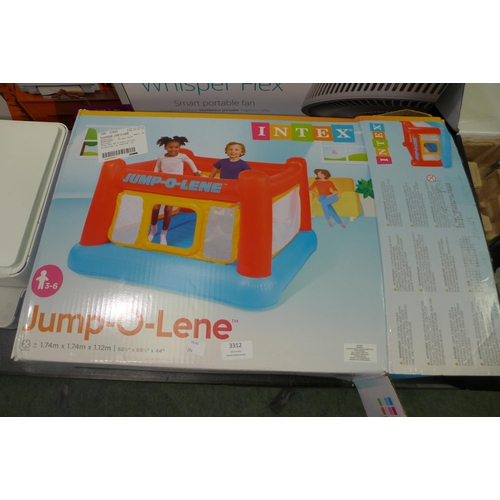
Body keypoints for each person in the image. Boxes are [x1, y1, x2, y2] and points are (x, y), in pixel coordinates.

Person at [149, 135, 201, 245]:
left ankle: (163, 234)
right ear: (165, 148)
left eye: (176, 147)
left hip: (175, 185)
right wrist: (154, 176)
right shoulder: (161, 157)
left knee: (168, 209)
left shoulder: (182, 156)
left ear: (179, 147)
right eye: (170, 147)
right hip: (163, 184)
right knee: (155, 207)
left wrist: (196, 173)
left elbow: (190, 162)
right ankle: (153, 229)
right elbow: (157, 167)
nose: (174, 149)